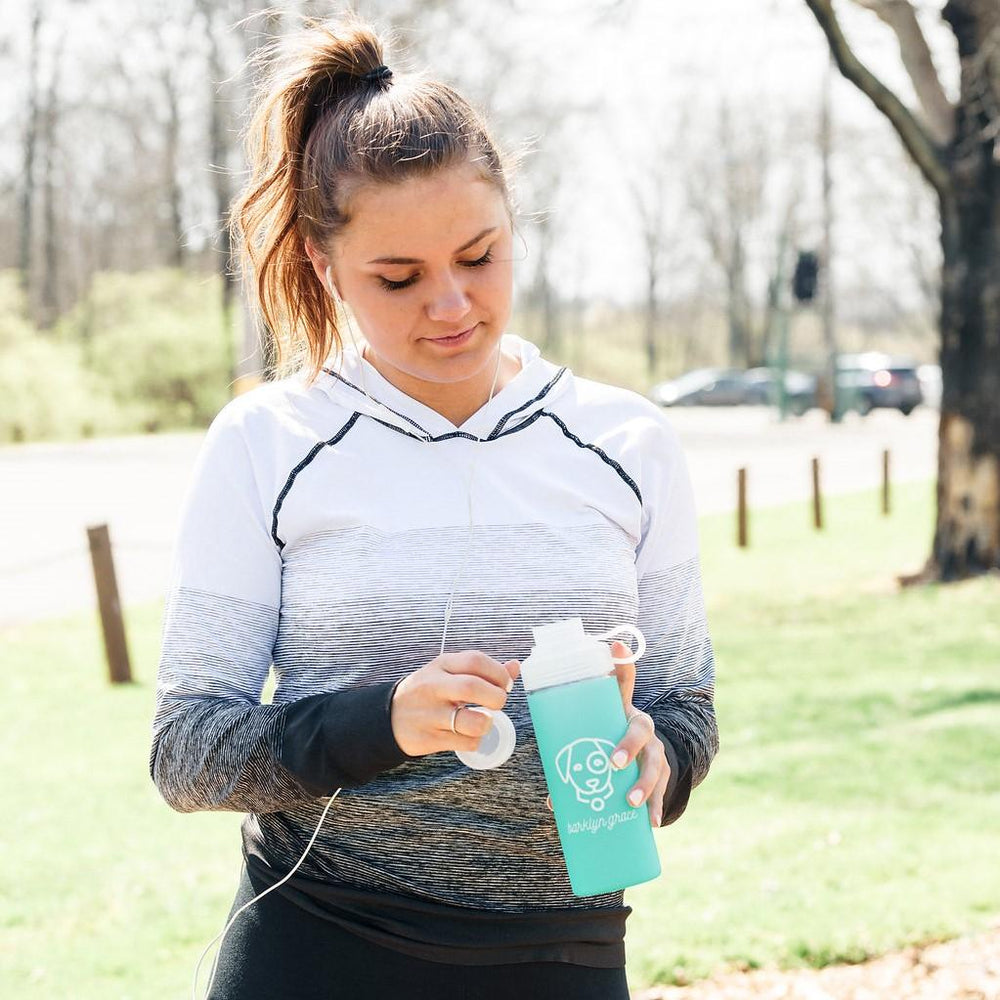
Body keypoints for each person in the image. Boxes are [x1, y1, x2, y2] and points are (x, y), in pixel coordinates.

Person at [149, 15, 718, 1000]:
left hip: (565, 957)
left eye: (479, 255)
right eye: (398, 278)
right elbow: (188, 753)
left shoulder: (627, 445)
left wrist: (656, 759)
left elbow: (688, 711)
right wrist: (384, 720)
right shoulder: (267, 444)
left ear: (513, 227)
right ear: (326, 269)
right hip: (318, 952)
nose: (451, 303)